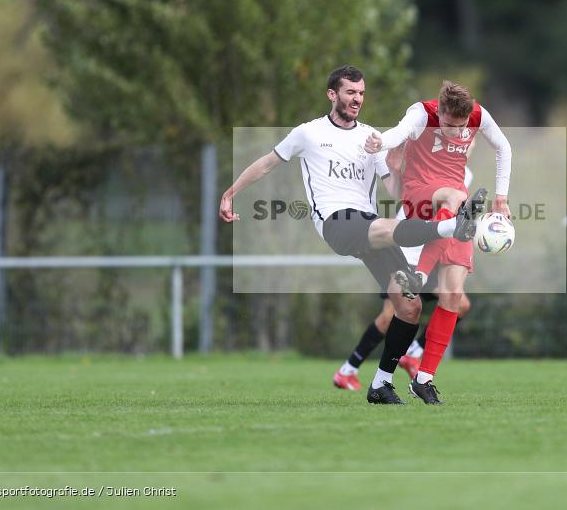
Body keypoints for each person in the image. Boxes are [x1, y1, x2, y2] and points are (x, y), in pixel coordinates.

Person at [219, 66, 485, 405]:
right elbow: (267, 163)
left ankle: (380, 384)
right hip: (337, 222)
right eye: (350, 92)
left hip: (370, 226)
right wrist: (230, 193)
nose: (356, 99)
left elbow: (397, 190)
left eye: (360, 93)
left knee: (409, 304)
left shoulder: (371, 138)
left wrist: (404, 167)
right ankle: (453, 227)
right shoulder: (308, 133)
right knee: (386, 228)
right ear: (332, 95)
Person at [364, 81, 512, 404]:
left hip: (454, 211)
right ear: (441, 111)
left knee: (453, 293)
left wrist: (501, 197)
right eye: (449, 126)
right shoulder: (422, 113)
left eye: (462, 128)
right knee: (458, 196)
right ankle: (420, 272)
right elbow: (398, 134)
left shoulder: (476, 116)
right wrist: (380, 141)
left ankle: (424, 378)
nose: (457, 134)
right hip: (420, 194)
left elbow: (504, 147)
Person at [333, 167, 475, 391]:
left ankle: (413, 353)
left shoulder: (465, 173)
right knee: (390, 316)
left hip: (428, 256)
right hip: (406, 252)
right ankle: (348, 370)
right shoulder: (427, 164)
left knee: (460, 304)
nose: (467, 138)